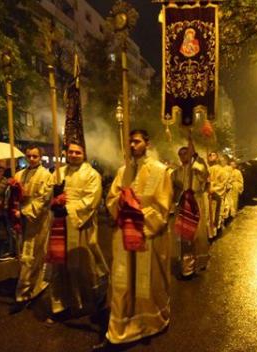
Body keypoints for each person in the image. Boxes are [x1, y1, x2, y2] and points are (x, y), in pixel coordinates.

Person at [96, 129, 173, 350]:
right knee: (122, 280)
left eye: (137, 141)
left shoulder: (161, 171)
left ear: (147, 144)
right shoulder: (123, 171)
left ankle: (148, 323)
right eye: (130, 141)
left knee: (144, 282)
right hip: (123, 234)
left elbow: (162, 206)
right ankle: (118, 330)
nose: (132, 145)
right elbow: (111, 198)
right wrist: (120, 204)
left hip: (148, 236)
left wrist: (137, 214)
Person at [45, 142, 108, 322]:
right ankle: (60, 305)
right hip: (58, 225)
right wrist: (54, 198)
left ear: (84, 153)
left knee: (81, 264)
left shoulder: (92, 175)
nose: (73, 155)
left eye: (77, 152)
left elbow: (92, 201)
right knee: (59, 266)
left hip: (80, 226)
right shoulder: (58, 172)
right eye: (70, 152)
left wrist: (68, 209)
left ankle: (90, 299)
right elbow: (47, 195)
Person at [13, 145, 52, 304]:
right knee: (23, 255)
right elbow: (13, 198)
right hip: (21, 221)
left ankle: (29, 289)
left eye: (35, 156)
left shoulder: (46, 175)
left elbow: (44, 199)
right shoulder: (19, 174)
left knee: (34, 256)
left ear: (40, 157)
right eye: (28, 156)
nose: (31, 159)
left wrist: (25, 212)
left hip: (37, 220)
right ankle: (26, 287)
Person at [172, 144, 210, 277]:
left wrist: (197, 159)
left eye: (185, 153)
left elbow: (205, 175)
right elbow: (173, 190)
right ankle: (187, 267)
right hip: (183, 205)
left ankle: (199, 262)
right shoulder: (176, 172)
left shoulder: (196, 169)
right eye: (180, 154)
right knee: (185, 236)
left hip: (196, 203)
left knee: (197, 235)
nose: (183, 156)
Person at [207, 152, 232, 237]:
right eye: (210, 155)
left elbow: (223, 184)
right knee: (209, 217)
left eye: (213, 155)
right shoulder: (207, 169)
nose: (211, 156)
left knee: (217, 215)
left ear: (217, 158)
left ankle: (216, 232)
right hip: (208, 197)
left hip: (217, 196)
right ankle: (210, 233)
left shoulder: (222, 170)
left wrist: (214, 189)